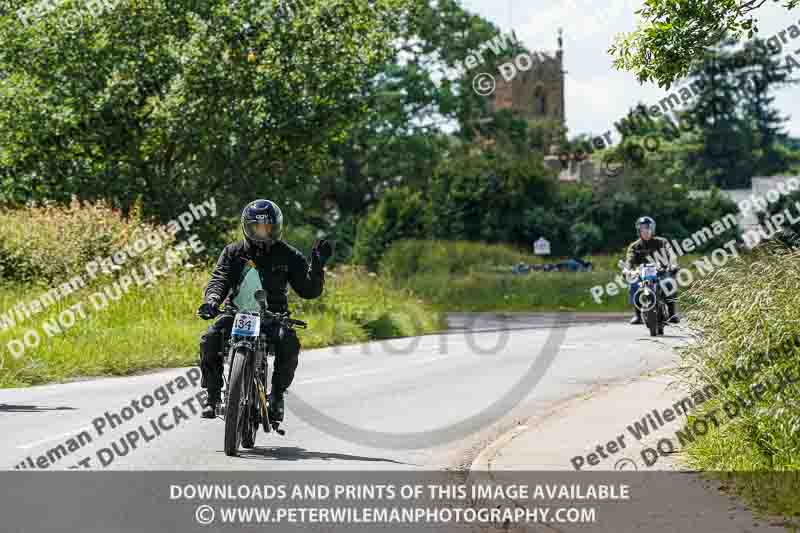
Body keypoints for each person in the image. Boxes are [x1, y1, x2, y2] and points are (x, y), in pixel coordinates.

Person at [196, 199, 333, 420]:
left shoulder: (288, 254)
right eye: (256, 228)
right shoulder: (233, 252)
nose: (262, 233)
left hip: (272, 317)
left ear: (275, 227)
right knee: (209, 339)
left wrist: (317, 267)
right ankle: (212, 396)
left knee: (289, 342)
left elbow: (308, 290)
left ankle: (277, 396)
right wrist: (211, 301)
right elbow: (219, 279)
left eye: (267, 228)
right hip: (236, 314)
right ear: (247, 227)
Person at [624, 216, 679, 325]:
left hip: (661, 273)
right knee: (633, 285)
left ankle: (672, 313)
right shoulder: (634, 246)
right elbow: (629, 260)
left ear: (652, 229)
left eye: (648, 228)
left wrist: (673, 264)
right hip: (641, 275)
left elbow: (671, 254)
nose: (646, 231)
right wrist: (627, 270)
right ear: (639, 231)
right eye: (643, 229)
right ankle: (637, 315)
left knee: (669, 283)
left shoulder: (662, 242)